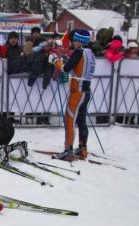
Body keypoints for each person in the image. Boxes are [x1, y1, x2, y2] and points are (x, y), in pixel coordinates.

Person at [49, 30, 96, 161]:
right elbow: (77, 65)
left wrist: (55, 61)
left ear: (81, 41)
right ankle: (82, 148)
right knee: (81, 121)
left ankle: (68, 150)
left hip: (77, 92)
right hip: (86, 91)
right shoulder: (90, 53)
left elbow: (66, 69)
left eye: (75, 40)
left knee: (70, 120)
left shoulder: (79, 51)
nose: (73, 43)